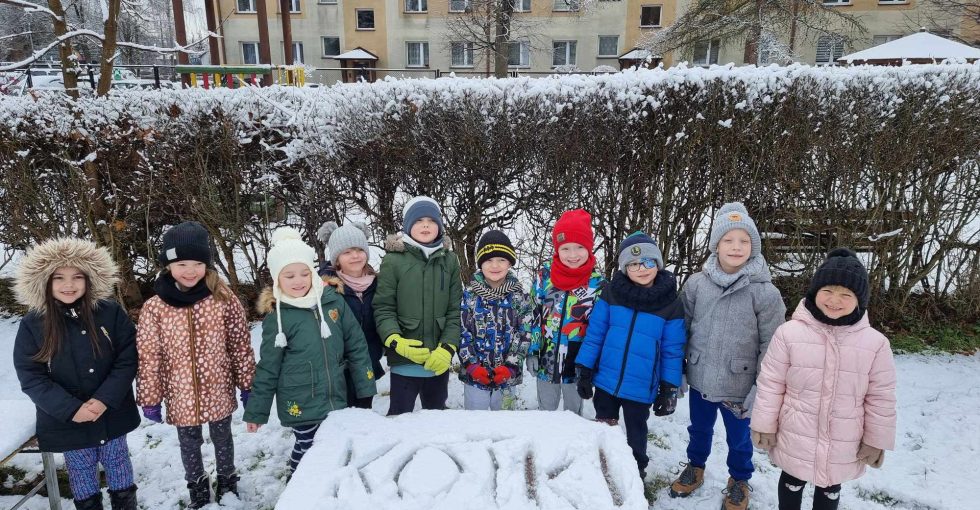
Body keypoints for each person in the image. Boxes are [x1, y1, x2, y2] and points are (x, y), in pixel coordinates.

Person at [750, 248, 897, 510]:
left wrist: (876, 439)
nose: (834, 300)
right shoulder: (789, 334)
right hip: (797, 430)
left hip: (844, 435)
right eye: (827, 290)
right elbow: (771, 383)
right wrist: (764, 423)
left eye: (846, 294)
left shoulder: (875, 344)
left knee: (830, 484)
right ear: (815, 291)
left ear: (859, 300)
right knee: (792, 478)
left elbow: (881, 397)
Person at [670, 203, 786, 510]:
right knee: (699, 428)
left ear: (754, 247)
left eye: (744, 241)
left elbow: (773, 346)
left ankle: (739, 479)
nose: (736, 247)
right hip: (700, 376)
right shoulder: (696, 284)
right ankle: (695, 466)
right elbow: (681, 328)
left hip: (739, 384)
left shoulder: (765, 293)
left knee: (739, 438)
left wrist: (761, 387)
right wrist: (678, 370)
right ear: (716, 245)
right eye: (728, 240)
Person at [12, 238, 140, 510]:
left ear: (90, 278)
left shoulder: (109, 313)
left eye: (77, 277)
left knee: (118, 462)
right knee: (81, 470)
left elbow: (127, 358)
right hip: (67, 421)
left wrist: (104, 398)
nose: (68, 285)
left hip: (112, 414)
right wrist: (71, 409)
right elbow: (31, 375)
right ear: (44, 281)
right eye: (58, 277)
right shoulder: (34, 323)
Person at [136, 221, 255, 508]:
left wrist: (248, 384)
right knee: (190, 442)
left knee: (223, 437)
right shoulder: (155, 307)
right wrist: (151, 398)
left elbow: (239, 345)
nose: (190, 271)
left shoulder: (223, 299)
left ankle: (227, 480)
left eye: (198, 263)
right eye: (182, 264)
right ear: (168, 267)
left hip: (218, 388)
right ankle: (197, 486)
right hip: (181, 393)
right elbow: (149, 355)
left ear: (208, 265)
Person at [244, 227, 376, 472]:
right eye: (289, 276)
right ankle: (297, 482)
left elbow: (356, 344)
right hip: (300, 400)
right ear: (277, 279)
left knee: (335, 447)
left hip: (335, 394)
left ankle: (325, 489)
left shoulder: (331, 301)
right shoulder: (278, 317)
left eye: (304, 273)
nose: (298, 281)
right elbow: (268, 367)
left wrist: (365, 385)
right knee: (307, 447)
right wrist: (256, 412)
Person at [575, 232, 686, 479]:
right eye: (633, 264)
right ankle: (603, 468)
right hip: (606, 380)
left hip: (641, 384)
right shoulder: (611, 293)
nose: (641, 269)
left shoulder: (671, 304)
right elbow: (596, 333)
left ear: (657, 263)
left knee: (636, 431)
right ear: (625, 268)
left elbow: (672, 350)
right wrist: (584, 368)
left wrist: (669, 388)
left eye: (647, 262)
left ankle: (636, 471)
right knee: (604, 427)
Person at [374, 196, 463, 415]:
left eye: (431, 221)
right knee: (399, 417)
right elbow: (384, 307)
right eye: (419, 220)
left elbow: (455, 310)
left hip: (437, 361)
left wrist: (447, 348)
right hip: (404, 361)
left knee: (435, 419)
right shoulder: (393, 260)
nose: (425, 225)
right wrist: (394, 340)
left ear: (439, 227)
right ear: (407, 226)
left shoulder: (449, 260)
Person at [527, 208, 605, 414]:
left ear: (589, 248)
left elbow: (599, 328)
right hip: (547, 360)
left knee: (573, 415)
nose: (572, 255)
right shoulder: (545, 275)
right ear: (557, 249)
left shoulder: (596, 284)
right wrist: (533, 350)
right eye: (566, 248)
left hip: (577, 364)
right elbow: (533, 313)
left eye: (580, 247)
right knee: (547, 412)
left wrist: (590, 363)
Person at [458, 230, 533, 410]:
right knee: (476, 424)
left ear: (509, 263)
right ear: (480, 264)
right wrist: (471, 365)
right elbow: (461, 332)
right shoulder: (469, 296)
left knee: (505, 426)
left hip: (506, 377)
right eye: (489, 260)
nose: (495, 265)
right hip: (475, 377)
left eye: (501, 260)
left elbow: (524, 333)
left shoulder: (520, 296)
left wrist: (511, 366)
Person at [317, 220, 384, 409]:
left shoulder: (378, 284)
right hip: (337, 366)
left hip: (367, 362)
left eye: (359, 250)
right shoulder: (325, 287)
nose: (355, 256)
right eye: (347, 252)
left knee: (363, 411)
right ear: (336, 258)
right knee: (339, 415)